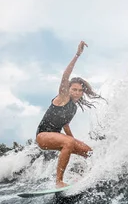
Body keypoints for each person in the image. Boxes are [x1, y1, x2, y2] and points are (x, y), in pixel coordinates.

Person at [35, 41, 104, 188]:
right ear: (69, 89)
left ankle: (84, 177)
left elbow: (65, 124)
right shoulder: (63, 97)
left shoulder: (73, 107)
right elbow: (65, 76)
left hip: (57, 138)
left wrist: (74, 141)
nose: (77, 92)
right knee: (69, 142)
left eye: (80, 90)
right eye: (74, 89)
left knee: (89, 152)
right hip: (43, 136)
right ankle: (59, 182)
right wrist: (77, 55)